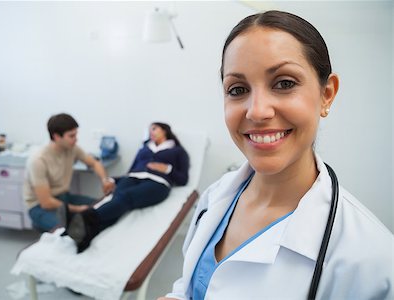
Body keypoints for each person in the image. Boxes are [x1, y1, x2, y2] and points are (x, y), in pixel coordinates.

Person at [159, 10, 393, 300]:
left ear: (327, 94)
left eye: (284, 83)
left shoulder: (373, 261)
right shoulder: (215, 197)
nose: (257, 111)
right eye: (238, 89)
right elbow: (193, 284)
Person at [62, 122, 190, 253]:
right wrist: (113, 180)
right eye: (149, 130)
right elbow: (130, 171)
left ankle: (83, 218)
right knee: (117, 199)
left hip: (157, 182)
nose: (151, 132)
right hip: (132, 178)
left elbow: (183, 180)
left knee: (125, 197)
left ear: (165, 130)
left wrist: (167, 169)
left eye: (154, 128)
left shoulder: (178, 151)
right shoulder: (144, 148)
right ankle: (85, 236)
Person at [23, 113, 115, 232]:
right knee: (75, 230)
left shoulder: (72, 148)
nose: (76, 139)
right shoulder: (38, 161)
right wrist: (77, 209)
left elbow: (94, 163)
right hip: (40, 207)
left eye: (76, 134)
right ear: (56, 137)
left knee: (104, 207)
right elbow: (46, 202)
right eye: (71, 136)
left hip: (64, 198)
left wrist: (105, 180)